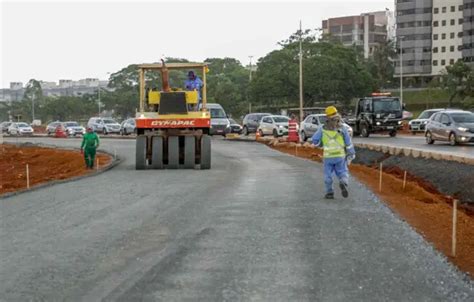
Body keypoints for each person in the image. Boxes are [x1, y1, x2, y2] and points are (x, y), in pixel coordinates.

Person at [312, 106, 355, 199]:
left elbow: (315, 140)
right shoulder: (343, 128)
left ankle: (329, 193)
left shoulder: (323, 128)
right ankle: (343, 181)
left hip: (328, 156)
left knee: (328, 175)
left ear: (327, 116)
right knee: (343, 171)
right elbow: (348, 143)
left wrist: (320, 144)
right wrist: (351, 153)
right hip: (340, 156)